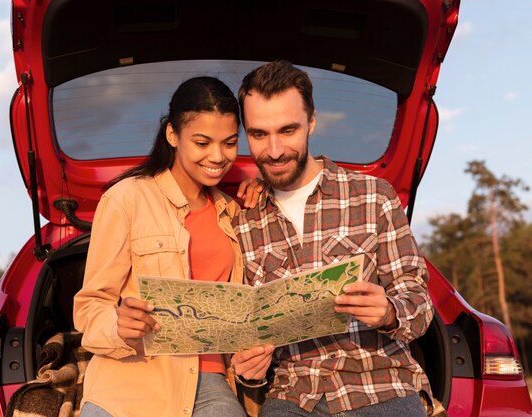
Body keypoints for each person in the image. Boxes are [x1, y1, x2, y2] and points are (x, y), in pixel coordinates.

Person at [232, 60, 434, 417]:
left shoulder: (373, 196)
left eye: (288, 130)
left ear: (311, 121)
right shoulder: (242, 221)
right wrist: (249, 372)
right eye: (259, 134)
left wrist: (389, 312)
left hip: (380, 384)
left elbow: (417, 296)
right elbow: (241, 330)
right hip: (291, 394)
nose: (275, 150)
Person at [73, 76, 272, 417]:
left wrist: (266, 188)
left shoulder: (236, 211)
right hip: (130, 377)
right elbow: (91, 306)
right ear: (172, 135)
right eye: (202, 142)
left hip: (209, 382)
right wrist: (118, 325)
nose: (218, 156)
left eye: (228, 143)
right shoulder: (126, 199)